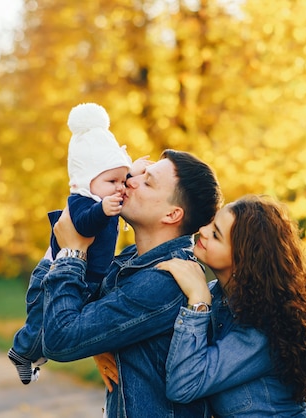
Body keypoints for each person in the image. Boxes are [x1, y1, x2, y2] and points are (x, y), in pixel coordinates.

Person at [39, 149, 222, 417]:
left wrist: (71, 253)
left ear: (172, 215)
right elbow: (74, 316)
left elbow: (60, 338)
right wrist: (98, 343)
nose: (129, 181)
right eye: (137, 174)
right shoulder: (131, 261)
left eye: (147, 182)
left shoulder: (164, 281)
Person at [157, 195, 306, 417]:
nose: (203, 230)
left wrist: (198, 301)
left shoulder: (263, 328)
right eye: (211, 222)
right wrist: (109, 350)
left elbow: (183, 386)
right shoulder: (216, 297)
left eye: (216, 234)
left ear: (242, 259)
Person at [7, 102, 149, 385]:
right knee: (40, 328)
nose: (121, 187)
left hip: (84, 279)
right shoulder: (82, 201)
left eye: (125, 180)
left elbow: (107, 172)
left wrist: (131, 171)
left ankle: (33, 356)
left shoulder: (103, 191)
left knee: (58, 329)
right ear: (87, 181)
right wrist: (102, 210)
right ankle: (21, 354)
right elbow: (82, 224)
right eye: (114, 181)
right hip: (52, 274)